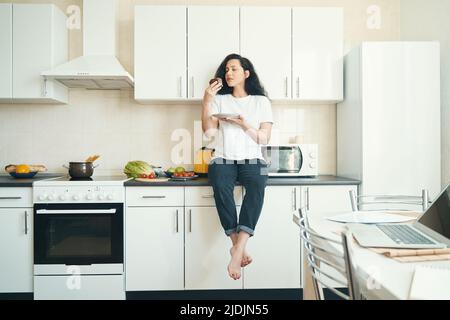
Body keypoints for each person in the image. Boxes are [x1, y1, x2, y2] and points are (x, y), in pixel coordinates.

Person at [201, 53, 273, 280]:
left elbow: (264, 139)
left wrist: (243, 124)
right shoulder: (220, 100)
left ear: (246, 73)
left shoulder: (261, 101)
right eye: (226, 70)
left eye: (233, 69)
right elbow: (209, 133)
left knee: (258, 187)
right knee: (221, 187)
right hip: (223, 157)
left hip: (254, 159)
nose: (228, 73)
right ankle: (238, 246)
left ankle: (237, 249)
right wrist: (206, 100)